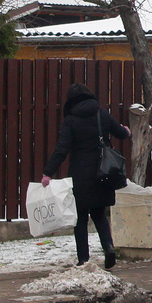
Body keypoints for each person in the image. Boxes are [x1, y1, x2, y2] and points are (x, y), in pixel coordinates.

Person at [41, 83, 131, 269]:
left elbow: (61, 149)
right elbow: (121, 133)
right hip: (102, 173)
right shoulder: (102, 114)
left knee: (80, 218)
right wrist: (126, 130)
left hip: (80, 176)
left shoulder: (71, 120)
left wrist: (47, 172)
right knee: (99, 214)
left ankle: (83, 259)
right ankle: (108, 248)